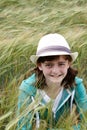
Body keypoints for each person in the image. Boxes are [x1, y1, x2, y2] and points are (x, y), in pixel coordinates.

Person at [17, 33, 87, 130]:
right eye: (49, 65)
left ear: (69, 63)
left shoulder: (76, 84)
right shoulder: (27, 89)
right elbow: (22, 126)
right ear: (40, 65)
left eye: (61, 64)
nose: (55, 71)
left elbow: (85, 122)